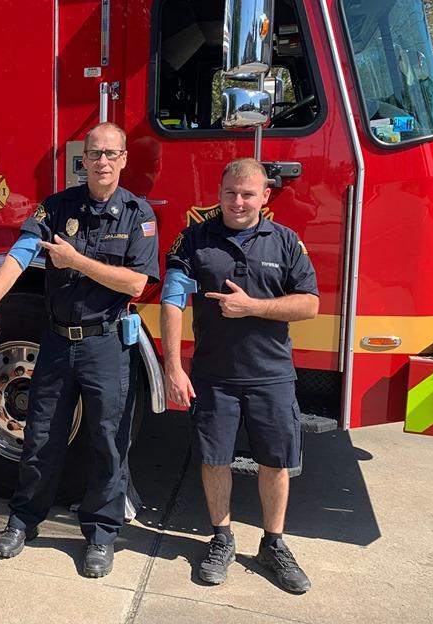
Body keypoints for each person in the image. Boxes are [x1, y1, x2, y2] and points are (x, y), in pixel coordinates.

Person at [0, 122, 159, 578]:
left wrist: (75, 261)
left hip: (107, 343)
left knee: (108, 443)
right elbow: (19, 253)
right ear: (84, 159)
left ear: (124, 160)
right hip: (56, 341)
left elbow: (136, 282)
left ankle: (100, 533)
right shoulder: (57, 207)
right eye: (95, 153)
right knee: (41, 438)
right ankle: (23, 521)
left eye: (111, 154)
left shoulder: (139, 214)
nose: (102, 162)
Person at [159, 157, 319, 593]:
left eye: (249, 194)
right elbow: (173, 302)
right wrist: (173, 366)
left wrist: (254, 307)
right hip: (213, 376)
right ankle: (222, 538)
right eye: (230, 193)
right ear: (219, 193)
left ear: (265, 196)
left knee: (276, 462)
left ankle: (274, 544)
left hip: (271, 375)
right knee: (214, 459)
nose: (238, 202)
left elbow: (309, 304)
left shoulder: (285, 241)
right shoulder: (194, 240)